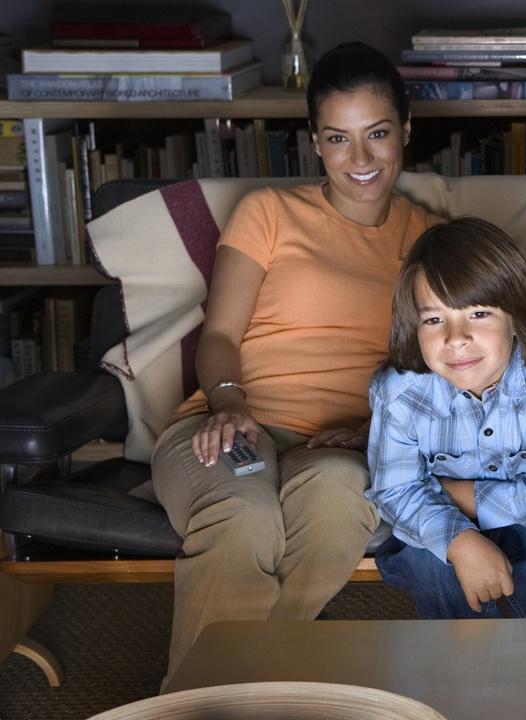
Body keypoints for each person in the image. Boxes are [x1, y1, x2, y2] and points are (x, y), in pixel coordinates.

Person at [149, 41, 442, 682]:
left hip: (344, 443)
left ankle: (239, 686)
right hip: (232, 420)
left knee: (338, 496)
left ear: (406, 132)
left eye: (378, 135)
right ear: (315, 141)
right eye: (339, 139)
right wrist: (229, 403)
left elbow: (442, 370)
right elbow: (220, 336)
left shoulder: (428, 241)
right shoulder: (269, 213)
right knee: (244, 514)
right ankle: (200, 701)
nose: (359, 159)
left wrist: (376, 432)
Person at [366, 217, 526, 619]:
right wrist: (460, 539)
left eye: (478, 314)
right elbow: (396, 491)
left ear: (516, 316)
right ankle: (465, 676)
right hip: (442, 518)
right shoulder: (401, 393)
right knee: (430, 563)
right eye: (433, 320)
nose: (456, 337)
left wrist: (468, 497)